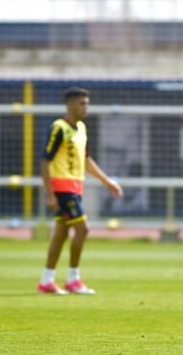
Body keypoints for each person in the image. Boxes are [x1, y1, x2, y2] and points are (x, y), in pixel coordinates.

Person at [37, 87, 123, 295]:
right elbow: (45, 161)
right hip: (63, 188)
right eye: (81, 103)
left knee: (61, 233)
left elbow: (86, 160)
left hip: (75, 186)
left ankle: (47, 281)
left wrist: (107, 181)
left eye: (87, 103)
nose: (86, 107)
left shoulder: (82, 128)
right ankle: (73, 279)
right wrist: (49, 193)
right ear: (69, 105)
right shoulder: (59, 128)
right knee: (83, 229)